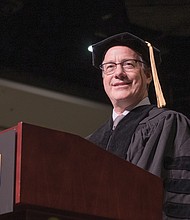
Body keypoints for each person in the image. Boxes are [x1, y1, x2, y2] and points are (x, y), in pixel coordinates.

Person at [86, 32, 190, 220]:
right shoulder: (91, 142)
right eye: (109, 67)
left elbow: (182, 195)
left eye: (128, 64)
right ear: (103, 78)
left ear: (148, 75)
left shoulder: (170, 124)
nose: (118, 73)